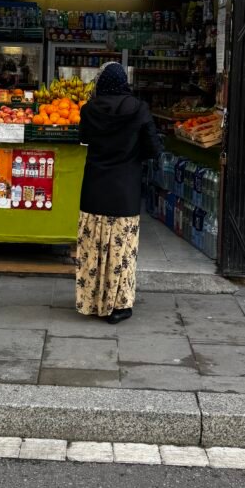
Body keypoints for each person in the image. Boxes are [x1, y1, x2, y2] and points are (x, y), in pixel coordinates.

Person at [76, 61, 162, 324]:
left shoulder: (89, 109)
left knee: (94, 248)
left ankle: (91, 301)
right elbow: (153, 148)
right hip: (124, 191)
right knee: (121, 251)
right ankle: (119, 306)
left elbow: (83, 139)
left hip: (94, 189)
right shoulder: (139, 109)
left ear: (101, 83)